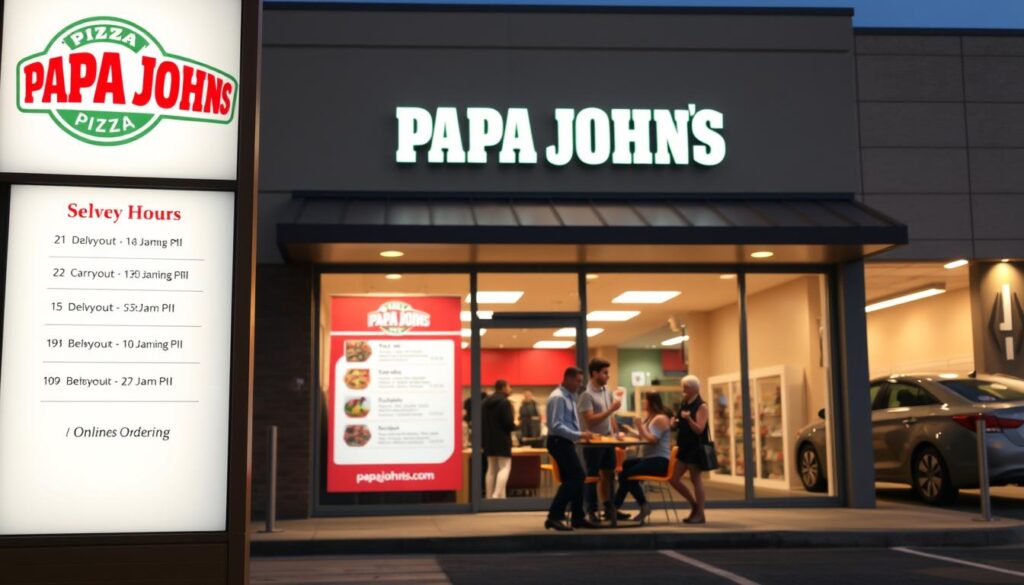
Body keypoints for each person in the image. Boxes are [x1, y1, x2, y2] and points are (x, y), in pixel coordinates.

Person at [544, 366, 596, 531]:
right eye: (578, 381)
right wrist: (579, 434)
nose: (579, 385)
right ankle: (554, 516)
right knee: (577, 477)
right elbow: (556, 425)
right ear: (568, 378)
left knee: (573, 478)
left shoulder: (570, 396)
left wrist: (578, 435)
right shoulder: (558, 397)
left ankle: (577, 517)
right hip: (559, 441)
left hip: (564, 442)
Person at [578, 358, 627, 523]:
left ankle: (609, 508)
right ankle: (591, 511)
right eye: (605, 373)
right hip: (592, 442)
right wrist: (611, 409)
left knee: (609, 474)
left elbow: (609, 416)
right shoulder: (586, 394)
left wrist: (616, 432)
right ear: (594, 373)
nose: (608, 376)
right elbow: (590, 420)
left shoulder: (606, 391)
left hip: (607, 440)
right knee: (592, 476)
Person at [613, 392, 673, 524]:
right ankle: (636, 505)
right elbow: (644, 436)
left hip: (659, 461)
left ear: (652, 402)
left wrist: (639, 426)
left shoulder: (660, 418)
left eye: (645, 400)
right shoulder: (651, 418)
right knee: (626, 466)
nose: (643, 402)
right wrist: (633, 429)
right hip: (650, 459)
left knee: (626, 475)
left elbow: (652, 440)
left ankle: (616, 506)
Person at [669, 375, 709, 524]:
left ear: (693, 389)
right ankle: (694, 505)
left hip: (695, 447)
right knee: (673, 478)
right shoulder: (684, 403)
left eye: (685, 387)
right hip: (684, 447)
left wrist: (688, 419)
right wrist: (674, 423)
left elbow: (699, 429)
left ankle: (700, 513)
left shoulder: (701, 406)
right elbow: (680, 423)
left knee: (695, 479)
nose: (683, 390)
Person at [482, 380, 517, 499]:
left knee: (491, 469)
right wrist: (516, 425)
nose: (510, 389)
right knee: (505, 467)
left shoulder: (484, 402)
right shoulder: (504, 402)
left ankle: (489, 496)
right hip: (502, 439)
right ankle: (496, 496)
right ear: (503, 388)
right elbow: (508, 423)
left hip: (488, 439)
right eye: (509, 386)